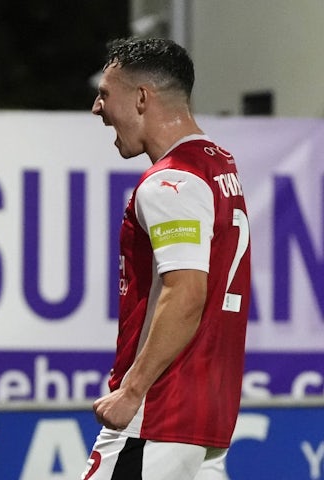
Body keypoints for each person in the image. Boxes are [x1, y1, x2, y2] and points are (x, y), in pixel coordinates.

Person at [81, 37, 251, 480]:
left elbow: (186, 292)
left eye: (104, 94)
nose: (97, 109)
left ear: (141, 98)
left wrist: (132, 391)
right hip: (207, 411)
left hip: (158, 413)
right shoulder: (218, 164)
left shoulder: (172, 181)